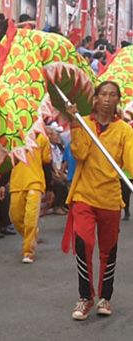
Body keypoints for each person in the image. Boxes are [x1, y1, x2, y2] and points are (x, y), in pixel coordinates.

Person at [63, 81, 133, 320]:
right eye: (102, 94)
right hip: (84, 196)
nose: (106, 98)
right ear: (95, 98)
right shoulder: (83, 122)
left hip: (110, 199)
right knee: (83, 246)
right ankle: (85, 297)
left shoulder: (124, 130)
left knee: (108, 250)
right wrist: (74, 123)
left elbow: (130, 163)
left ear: (117, 101)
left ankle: (105, 297)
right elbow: (80, 153)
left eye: (112, 95)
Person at [8, 132, 51, 263]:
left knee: (31, 217)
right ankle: (32, 234)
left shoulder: (42, 138)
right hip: (16, 183)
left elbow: (46, 163)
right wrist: (3, 183)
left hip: (35, 181)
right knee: (15, 217)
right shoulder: (12, 136)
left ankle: (28, 251)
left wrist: (50, 188)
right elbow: (8, 162)